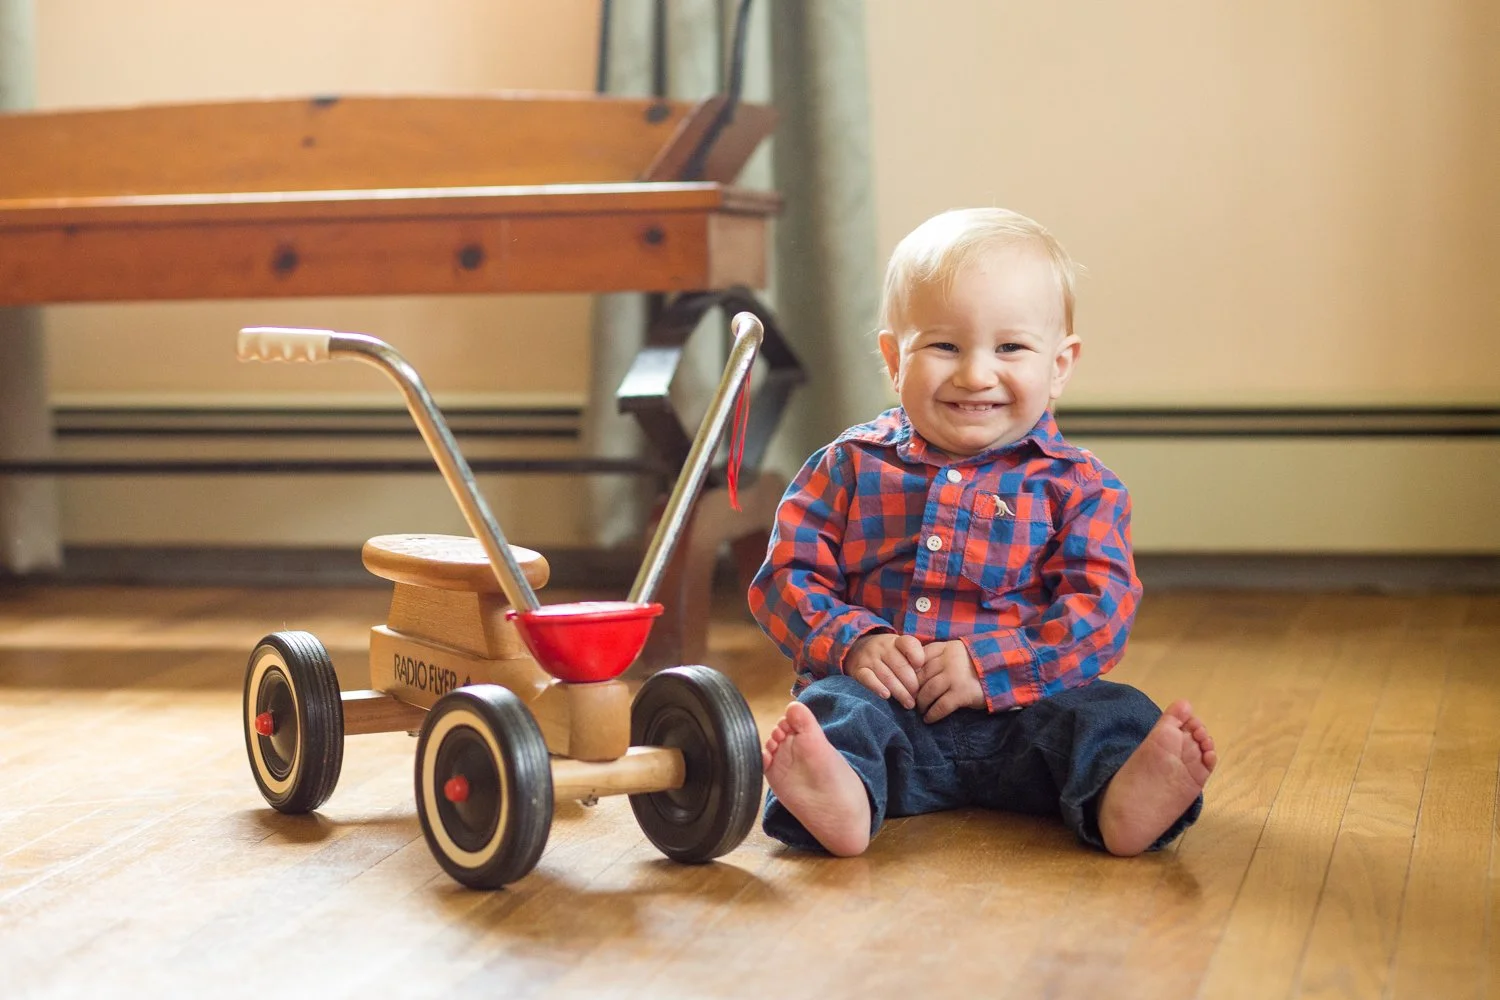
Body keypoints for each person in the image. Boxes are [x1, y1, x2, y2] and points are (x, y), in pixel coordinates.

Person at [747, 207, 1216, 858]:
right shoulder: (851, 466)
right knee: (834, 713)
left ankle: (1120, 800)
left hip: (1030, 718)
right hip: (891, 711)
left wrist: (992, 667)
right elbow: (786, 578)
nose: (974, 374)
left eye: (1011, 348)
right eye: (944, 346)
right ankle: (844, 798)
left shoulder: (1081, 488)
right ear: (892, 357)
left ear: (1059, 365)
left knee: (1114, 714)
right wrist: (855, 644)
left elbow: (1099, 612)